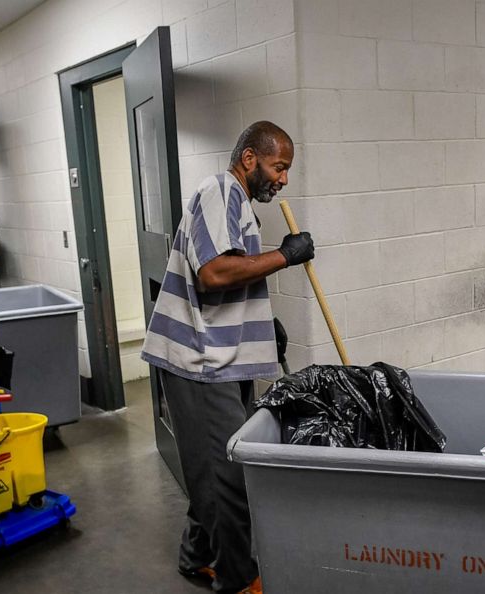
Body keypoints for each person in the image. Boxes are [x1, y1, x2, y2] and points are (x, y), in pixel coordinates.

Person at [140, 121, 314, 594]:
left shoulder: (237, 205)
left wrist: (261, 321)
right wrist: (286, 255)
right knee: (228, 478)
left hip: (225, 354)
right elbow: (215, 272)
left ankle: (197, 557)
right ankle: (238, 579)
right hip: (201, 362)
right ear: (250, 159)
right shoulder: (218, 190)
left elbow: (232, 277)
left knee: (216, 469)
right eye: (279, 166)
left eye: (287, 170)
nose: (282, 179)